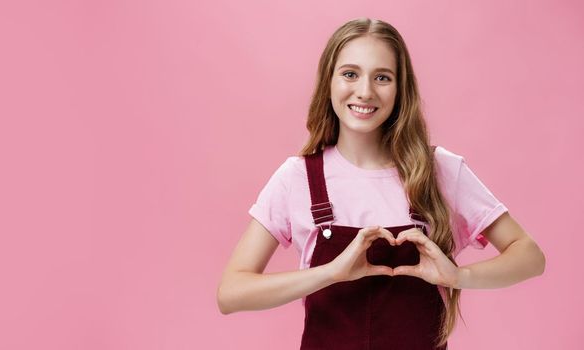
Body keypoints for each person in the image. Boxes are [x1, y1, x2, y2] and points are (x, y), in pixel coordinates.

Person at [216, 17, 546, 349]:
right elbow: (231, 293)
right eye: (350, 74)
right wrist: (331, 273)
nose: (365, 91)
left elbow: (530, 257)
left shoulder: (439, 170)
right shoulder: (297, 178)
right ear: (328, 82)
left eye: (382, 77)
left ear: (401, 88)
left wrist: (458, 277)